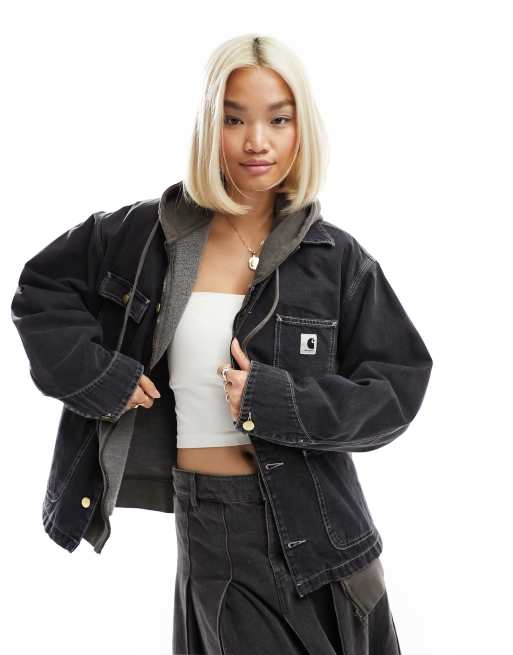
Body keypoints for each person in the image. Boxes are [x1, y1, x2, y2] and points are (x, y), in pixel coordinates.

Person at [12, 33, 432, 655]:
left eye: (278, 119)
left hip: (330, 542)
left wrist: (276, 401)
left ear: (301, 129)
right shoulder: (145, 237)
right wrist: (103, 379)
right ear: (209, 126)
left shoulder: (337, 259)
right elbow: (41, 291)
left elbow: (396, 388)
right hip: (214, 528)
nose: (256, 140)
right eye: (234, 119)